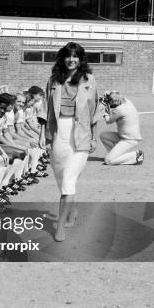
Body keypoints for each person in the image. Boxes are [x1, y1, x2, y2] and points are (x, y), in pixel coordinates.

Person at [38, 41, 103, 242]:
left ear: (81, 59)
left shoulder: (89, 80)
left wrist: (94, 137)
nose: (71, 59)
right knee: (62, 180)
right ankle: (71, 211)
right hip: (59, 134)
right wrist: (43, 135)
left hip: (81, 135)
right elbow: (46, 109)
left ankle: (60, 228)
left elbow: (95, 110)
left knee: (68, 181)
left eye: (75, 56)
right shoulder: (53, 80)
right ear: (62, 58)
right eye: (68, 55)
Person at [100, 90, 144, 165]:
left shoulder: (120, 110)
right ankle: (117, 155)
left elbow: (108, 121)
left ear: (115, 102)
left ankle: (136, 156)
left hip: (129, 140)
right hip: (123, 136)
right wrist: (109, 93)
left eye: (111, 102)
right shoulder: (127, 101)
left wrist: (105, 108)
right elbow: (116, 95)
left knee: (108, 160)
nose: (110, 104)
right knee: (103, 136)